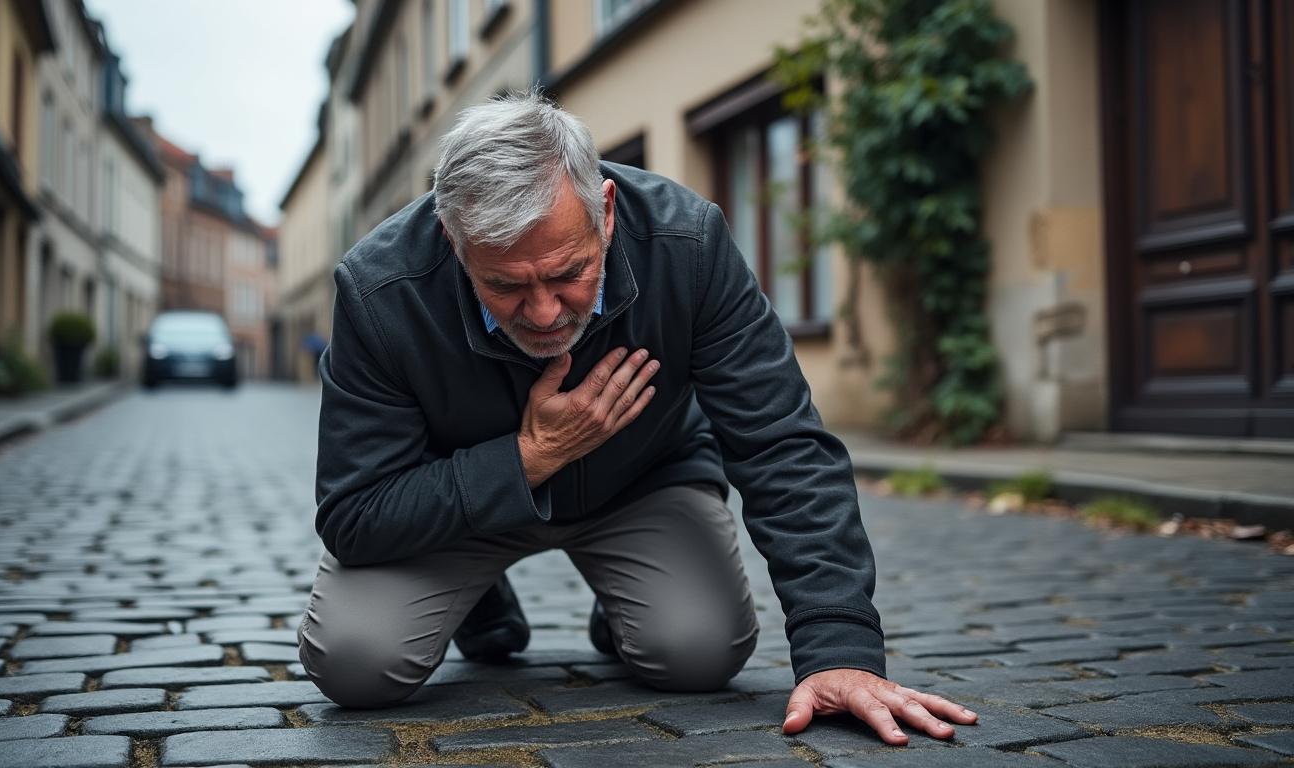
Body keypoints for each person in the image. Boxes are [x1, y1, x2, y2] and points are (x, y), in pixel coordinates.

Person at [297, 91, 977, 745]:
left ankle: (622, 601)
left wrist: (840, 649)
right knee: (355, 661)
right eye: (504, 284)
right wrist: (529, 457)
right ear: (453, 238)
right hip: (463, 497)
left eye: (568, 273)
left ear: (607, 210)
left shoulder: (688, 244)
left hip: (642, 481)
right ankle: (476, 593)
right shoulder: (379, 291)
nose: (543, 312)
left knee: (698, 652)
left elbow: (781, 444)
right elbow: (355, 512)